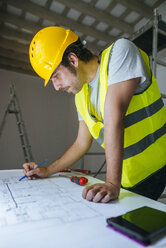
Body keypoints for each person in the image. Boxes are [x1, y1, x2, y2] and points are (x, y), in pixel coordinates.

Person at [23, 26, 166, 203]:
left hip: (158, 168)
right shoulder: (80, 96)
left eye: (56, 76)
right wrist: (47, 170)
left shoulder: (120, 52)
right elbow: (81, 144)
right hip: (129, 179)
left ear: (73, 59)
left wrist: (111, 183)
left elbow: (114, 119)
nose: (56, 86)